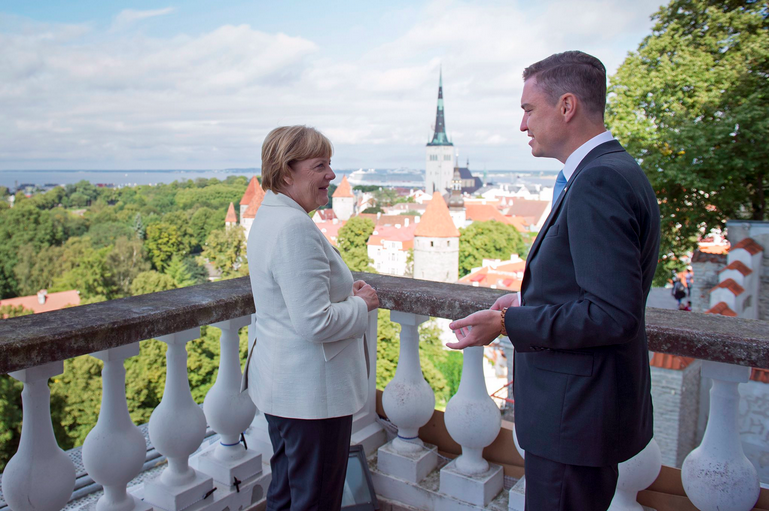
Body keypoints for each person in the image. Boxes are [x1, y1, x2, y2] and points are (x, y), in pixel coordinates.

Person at [447, 51, 660, 511]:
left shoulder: (597, 181)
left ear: (566, 107)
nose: (522, 125)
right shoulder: (614, 169)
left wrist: (510, 324)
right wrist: (526, 297)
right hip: (586, 411)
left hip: (574, 415)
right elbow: (593, 287)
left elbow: (611, 314)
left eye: (528, 110)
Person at [246, 125, 379, 511]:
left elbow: (293, 304)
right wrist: (362, 304)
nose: (331, 176)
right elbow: (314, 322)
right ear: (287, 172)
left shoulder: (270, 216)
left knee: (287, 492)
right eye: (320, 165)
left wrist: (340, 295)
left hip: (285, 387)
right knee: (316, 499)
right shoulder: (293, 228)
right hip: (311, 397)